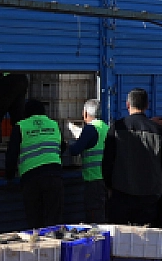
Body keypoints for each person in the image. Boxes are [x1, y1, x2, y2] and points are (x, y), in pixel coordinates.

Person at [101, 88, 162, 226]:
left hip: (121, 192)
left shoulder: (117, 128)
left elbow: (107, 161)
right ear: (147, 105)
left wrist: (109, 186)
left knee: (121, 237)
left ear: (128, 104)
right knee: (146, 238)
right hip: (150, 195)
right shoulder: (157, 130)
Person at [7, 97, 65, 228]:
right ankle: (54, 246)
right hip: (54, 175)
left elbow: (11, 154)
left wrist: (9, 175)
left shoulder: (21, 126)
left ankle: (38, 247)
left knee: (35, 220)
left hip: (31, 178)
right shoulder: (53, 124)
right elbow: (62, 146)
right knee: (54, 220)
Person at [65, 98, 108, 221]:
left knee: (94, 215)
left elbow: (75, 151)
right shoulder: (105, 127)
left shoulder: (90, 128)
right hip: (105, 179)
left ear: (85, 113)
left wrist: (69, 143)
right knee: (103, 213)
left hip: (93, 180)